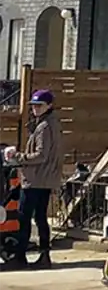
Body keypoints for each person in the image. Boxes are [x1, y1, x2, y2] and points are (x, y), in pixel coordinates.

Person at [2, 89, 63, 269]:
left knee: (24, 217)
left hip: (35, 179)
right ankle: (44, 255)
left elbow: (41, 155)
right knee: (40, 217)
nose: (35, 109)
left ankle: (20, 257)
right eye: (34, 105)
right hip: (45, 179)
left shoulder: (44, 127)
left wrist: (18, 157)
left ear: (49, 105)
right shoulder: (52, 123)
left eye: (39, 105)